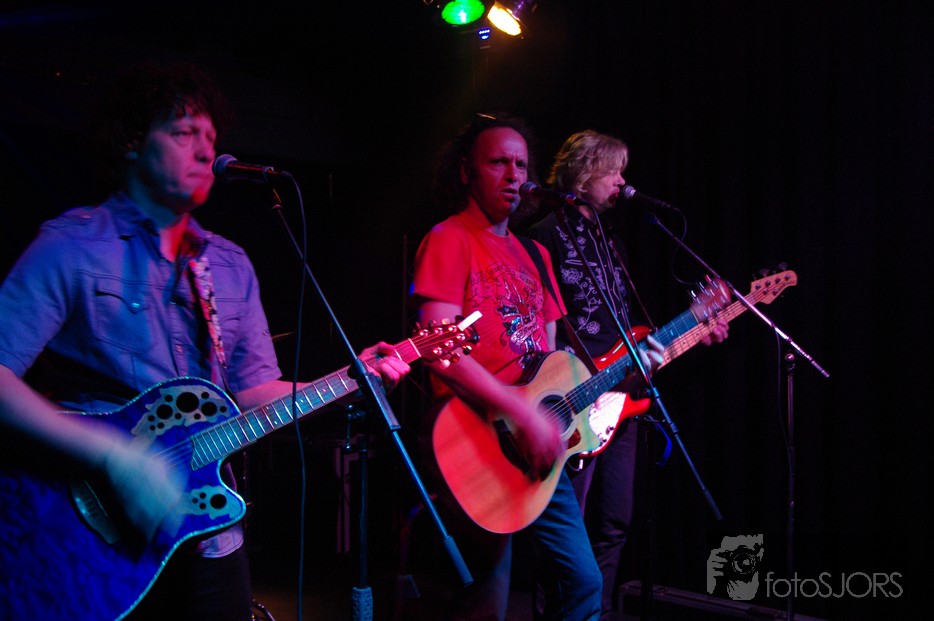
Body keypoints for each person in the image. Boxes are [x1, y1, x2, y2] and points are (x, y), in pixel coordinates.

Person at [0, 61, 409, 621]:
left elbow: (254, 391)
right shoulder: (72, 245)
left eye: (211, 138)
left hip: (208, 530)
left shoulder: (230, 265)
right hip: (87, 531)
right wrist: (112, 454)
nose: (205, 151)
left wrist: (348, 381)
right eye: (183, 132)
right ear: (132, 142)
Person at [409, 114, 662, 621]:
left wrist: (625, 372)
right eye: (497, 162)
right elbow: (437, 348)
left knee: (584, 582)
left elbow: (551, 363)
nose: (513, 175)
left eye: (521, 164)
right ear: (466, 171)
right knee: (487, 600)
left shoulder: (535, 254)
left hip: (536, 446)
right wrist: (518, 411)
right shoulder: (449, 238)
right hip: (476, 439)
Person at [525, 129, 728, 620]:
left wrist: (692, 329)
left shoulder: (612, 241)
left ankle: (595, 613)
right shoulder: (543, 235)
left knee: (615, 521)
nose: (622, 182)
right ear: (584, 174)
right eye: (613, 171)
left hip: (623, 395)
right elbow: (546, 323)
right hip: (573, 396)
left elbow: (626, 328)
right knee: (567, 525)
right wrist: (575, 382)